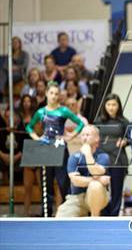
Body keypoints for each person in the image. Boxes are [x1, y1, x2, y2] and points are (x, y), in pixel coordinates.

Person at [26, 81, 85, 216]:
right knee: (46, 182)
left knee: (63, 182)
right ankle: (46, 212)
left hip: (60, 149)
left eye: (56, 94)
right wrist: (36, 138)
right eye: (51, 93)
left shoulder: (63, 110)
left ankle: (66, 211)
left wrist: (71, 136)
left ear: (59, 96)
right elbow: (29, 126)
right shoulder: (41, 112)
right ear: (46, 93)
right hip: (45, 148)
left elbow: (80, 123)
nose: (53, 96)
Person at [56, 125, 110, 217]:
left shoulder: (103, 156)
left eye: (88, 135)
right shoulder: (74, 157)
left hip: (98, 197)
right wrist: (98, 180)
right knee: (60, 218)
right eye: (83, 135)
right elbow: (75, 181)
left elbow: (96, 172)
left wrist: (88, 154)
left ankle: (95, 218)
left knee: (95, 186)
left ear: (97, 138)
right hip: (77, 198)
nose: (84, 137)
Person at [95, 94, 129, 216]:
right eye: (108, 104)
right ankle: (103, 214)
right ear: (104, 106)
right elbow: (93, 137)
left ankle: (114, 215)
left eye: (114, 104)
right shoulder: (98, 121)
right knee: (101, 188)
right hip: (101, 160)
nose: (111, 107)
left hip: (118, 160)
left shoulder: (124, 122)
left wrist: (126, 141)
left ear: (118, 106)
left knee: (116, 190)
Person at [18, 95, 39, 216]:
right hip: (26, 152)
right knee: (27, 186)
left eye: (29, 101)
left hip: (37, 150)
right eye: (24, 101)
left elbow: (40, 132)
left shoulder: (37, 116)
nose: (27, 103)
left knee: (42, 186)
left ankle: (45, 210)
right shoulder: (19, 117)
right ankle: (26, 212)